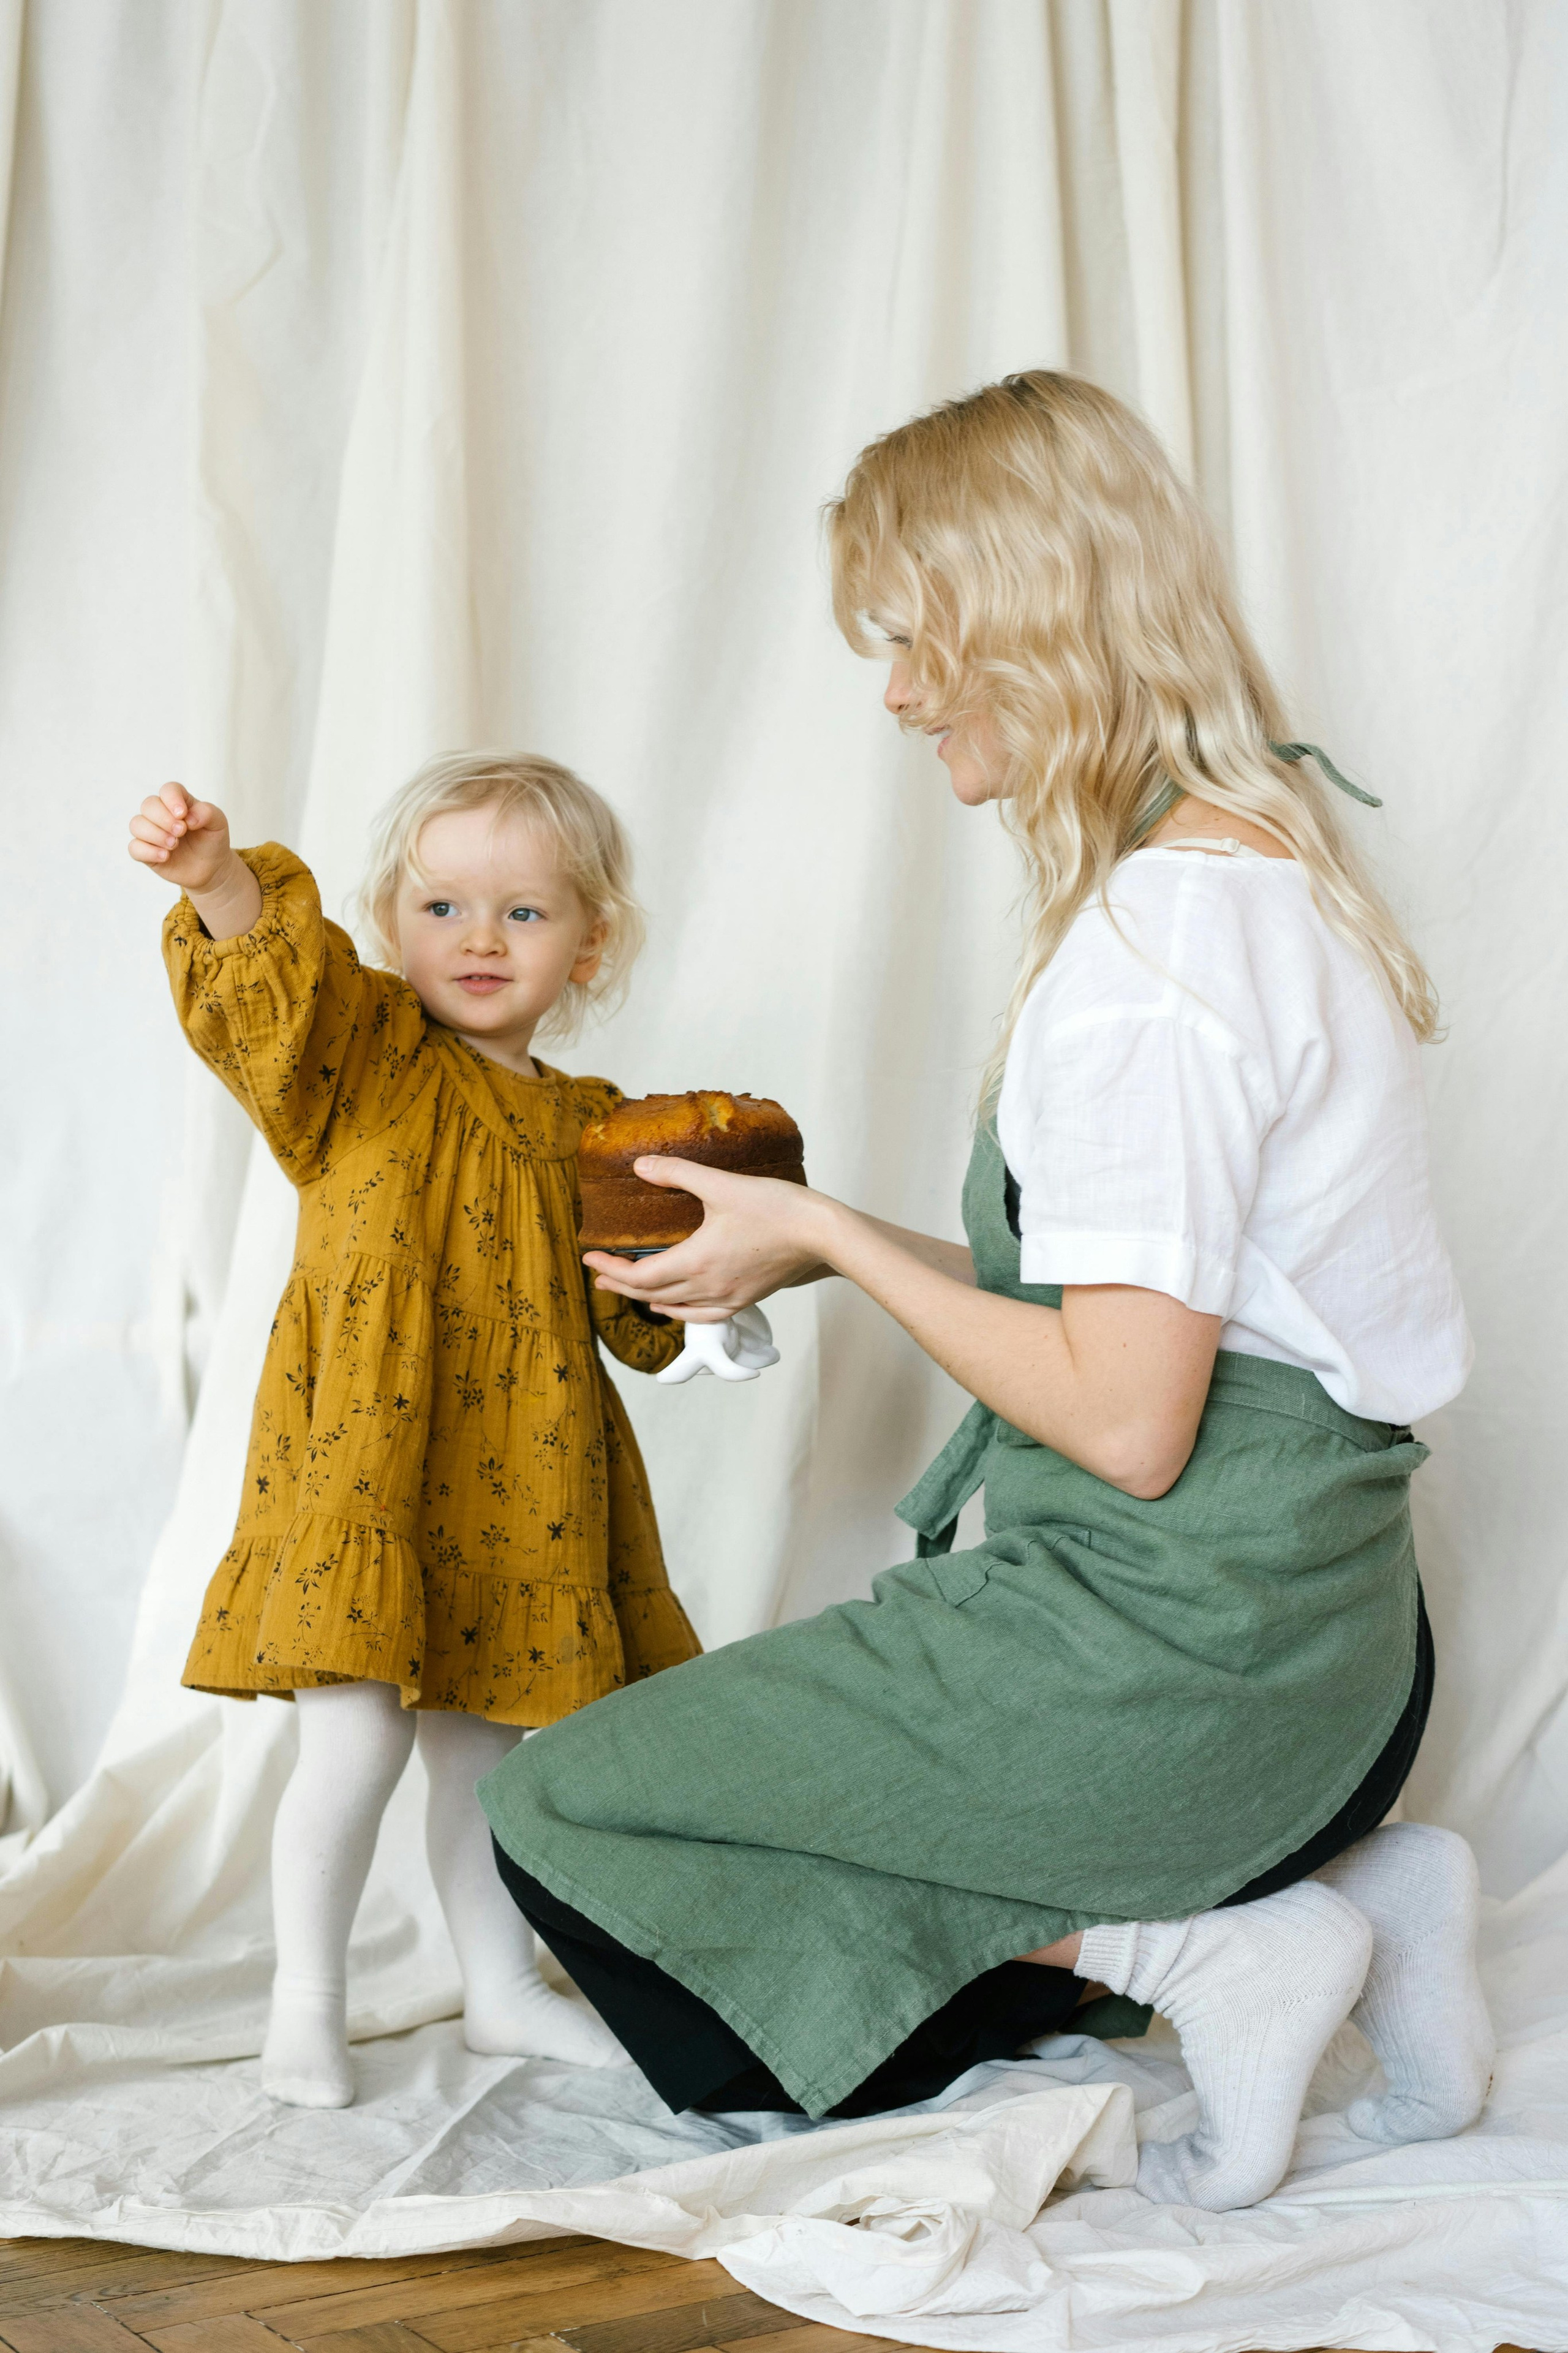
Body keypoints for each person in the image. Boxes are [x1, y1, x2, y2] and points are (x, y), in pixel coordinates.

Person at [477, 372, 1492, 2210]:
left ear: (1025, 615)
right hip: (1338, 1653)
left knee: (561, 1807)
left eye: (911, 638)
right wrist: (810, 1232)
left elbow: (1124, 1412)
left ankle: (1188, 1949)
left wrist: (850, 1246)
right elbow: (1162, 1315)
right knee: (788, 1794)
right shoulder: (1272, 876)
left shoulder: (1147, 958)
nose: (895, 691)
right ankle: (1344, 1890)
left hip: (1190, 1669)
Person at [126, 750, 701, 2108]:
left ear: (589, 940)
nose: (479, 940)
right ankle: (303, 2003)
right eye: (441, 907)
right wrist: (217, 882)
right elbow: (276, 992)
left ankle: (498, 1992)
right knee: (354, 1743)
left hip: (522, 1481)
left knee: (485, 1757)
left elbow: (642, 1314)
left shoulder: (590, 1128)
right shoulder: (364, 1057)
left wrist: (725, 1293)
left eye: (523, 912)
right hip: (365, 1470)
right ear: (391, 922)